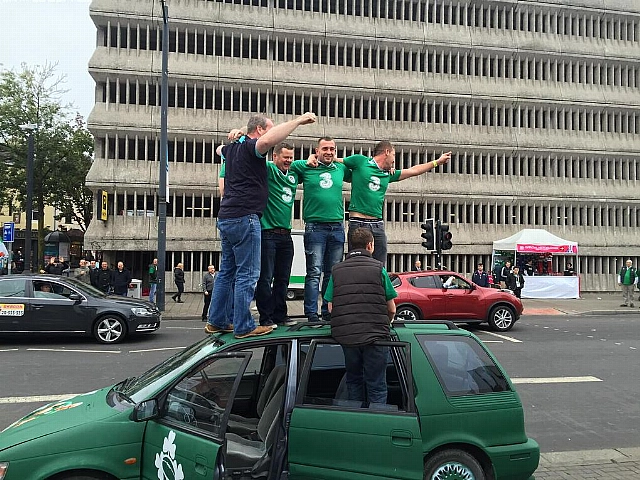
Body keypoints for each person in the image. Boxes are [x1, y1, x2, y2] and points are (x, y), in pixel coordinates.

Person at [205, 112, 316, 339]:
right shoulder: (250, 148)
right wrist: (298, 121)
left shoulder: (232, 149)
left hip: (226, 217)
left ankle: (216, 320)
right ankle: (243, 326)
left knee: (227, 271)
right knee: (249, 273)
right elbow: (266, 141)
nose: (272, 135)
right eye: (270, 129)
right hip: (246, 217)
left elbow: (219, 149)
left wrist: (238, 134)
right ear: (260, 131)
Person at [342, 142, 451, 265]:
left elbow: (413, 171)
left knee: (380, 264)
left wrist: (437, 162)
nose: (394, 160)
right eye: (394, 155)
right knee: (357, 263)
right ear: (386, 152)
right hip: (358, 222)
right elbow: (335, 161)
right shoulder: (360, 161)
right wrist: (314, 157)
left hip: (377, 223)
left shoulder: (388, 174)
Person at [324, 228, 397, 406]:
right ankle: (376, 427)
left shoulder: (337, 270)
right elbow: (392, 309)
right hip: (376, 337)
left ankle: (356, 422)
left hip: (347, 337)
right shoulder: (379, 269)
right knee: (377, 385)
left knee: (353, 381)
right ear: (370, 245)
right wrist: (384, 323)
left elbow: (331, 305)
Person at [289, 137, 351, 322]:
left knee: (332, 273)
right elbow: (286, 165)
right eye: (325, 148)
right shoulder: (306, 166)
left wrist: (388, 168)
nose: (329, 152)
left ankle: (327, 311)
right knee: (314, 272)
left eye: (332, 149)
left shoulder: (340, 168)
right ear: (317, 150)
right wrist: (308, 158)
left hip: (337, 227)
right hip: (315, 227)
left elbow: (362, 170)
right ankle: (311, 314)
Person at [254, 142, 299, 328]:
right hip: (268, 233)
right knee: (266, 277)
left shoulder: (295, 173)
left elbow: (309, 163)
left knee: (283, 277)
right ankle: (266, 317)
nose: (288, 160)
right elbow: (253, 155)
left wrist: (313, 158)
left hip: (286, 235)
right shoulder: (269, 170)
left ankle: (281, 315)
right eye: (285, 157)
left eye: (291, 157)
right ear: (275, 157)